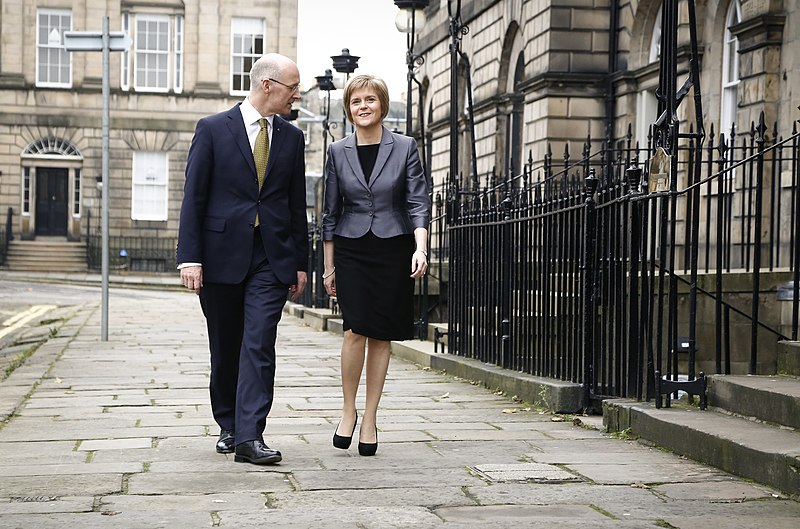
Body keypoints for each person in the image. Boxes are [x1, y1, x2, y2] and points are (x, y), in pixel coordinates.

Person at [176, 53, 308, 465]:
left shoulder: (292, 137)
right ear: (267, 84)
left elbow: (295, 203)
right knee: (226, 343)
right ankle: (229, 424)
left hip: (271, 256)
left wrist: (301, 262)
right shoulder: (213, 129)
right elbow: (193, 197)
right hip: (220, 256)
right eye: (292, 86)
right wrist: (189, 258)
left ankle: (251, 435)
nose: (297, 94)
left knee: (259, 341)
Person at [322, 74, 430, 456]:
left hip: (392, 247)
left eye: (370, 99)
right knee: (354, 330)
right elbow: (329, 214)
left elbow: (418, 201)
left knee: (380, 334)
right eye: (355, 101)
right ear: (348, 109)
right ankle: (347, 410)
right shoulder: (337, 152)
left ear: (382, 105)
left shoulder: (405, 147)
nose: (363, 106)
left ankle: (370, 418)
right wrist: (329, 267)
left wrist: (421, 249)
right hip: (352, 248)